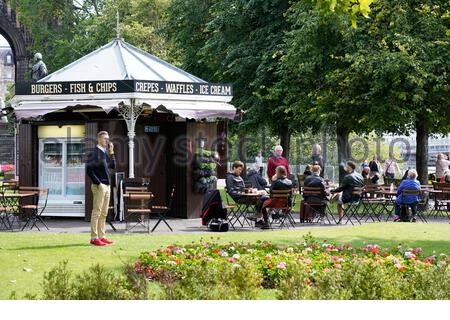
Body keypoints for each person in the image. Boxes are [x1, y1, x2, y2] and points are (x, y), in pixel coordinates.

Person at [86, 131, 116, 246]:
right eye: (105, 139)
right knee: (97, 212)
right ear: (99, 139)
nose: (107, 141)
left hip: (107, 186)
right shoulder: (93, 153)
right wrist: (98, 184)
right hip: (100, 186)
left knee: (104, 213)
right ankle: (94, 238)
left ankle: (102, 236)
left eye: (108, 139)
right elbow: (89, 170)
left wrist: (112, 152)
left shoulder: (104, 153)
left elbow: (113, 166)